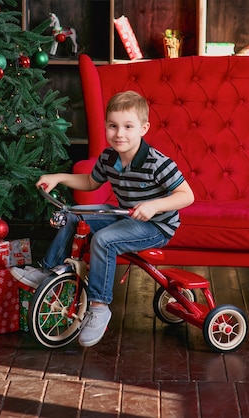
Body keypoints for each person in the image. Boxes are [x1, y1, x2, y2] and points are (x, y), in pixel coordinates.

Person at [11, 90, 194, 347]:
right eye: (113, 126)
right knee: (76, 214)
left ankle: (99, 306)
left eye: (128, 127)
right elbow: (89, 181)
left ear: (144, 128)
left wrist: (155, 206)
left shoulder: (156, 163)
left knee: (104, 240)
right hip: (127, 217)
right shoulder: (109, 158)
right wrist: (58, 177)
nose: (119, 133)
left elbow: (187, 196)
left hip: (156, 225)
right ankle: (49, 272)